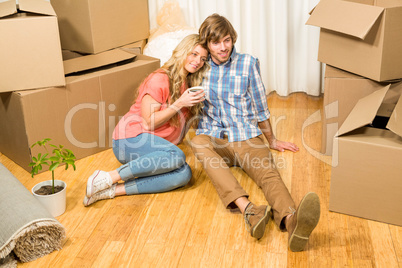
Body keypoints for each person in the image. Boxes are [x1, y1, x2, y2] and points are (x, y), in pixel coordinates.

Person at [190, 14, 320, 252]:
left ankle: (292, 222)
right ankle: (249, 209)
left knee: (268, 176)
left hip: (246, 135)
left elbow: (260, 106)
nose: (223, 47)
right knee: (197, 142)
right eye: (216, 43)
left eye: (227, 40)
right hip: (215, 139)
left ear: (233, 39)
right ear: (207, 45)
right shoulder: (199, 66)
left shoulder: (248, 63)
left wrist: (272, 140)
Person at [84, 34, 209, 206]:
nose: (198, 61)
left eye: (203, 58)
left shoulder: (188, 85)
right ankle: (107, 177)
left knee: (184, 174)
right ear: (183, 51)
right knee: (176, 155)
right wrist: (180, 103)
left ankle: (110, 190)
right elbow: (148, 122)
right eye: (194, 54)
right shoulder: (160, 78)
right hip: (128, 140)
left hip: (156, 150)